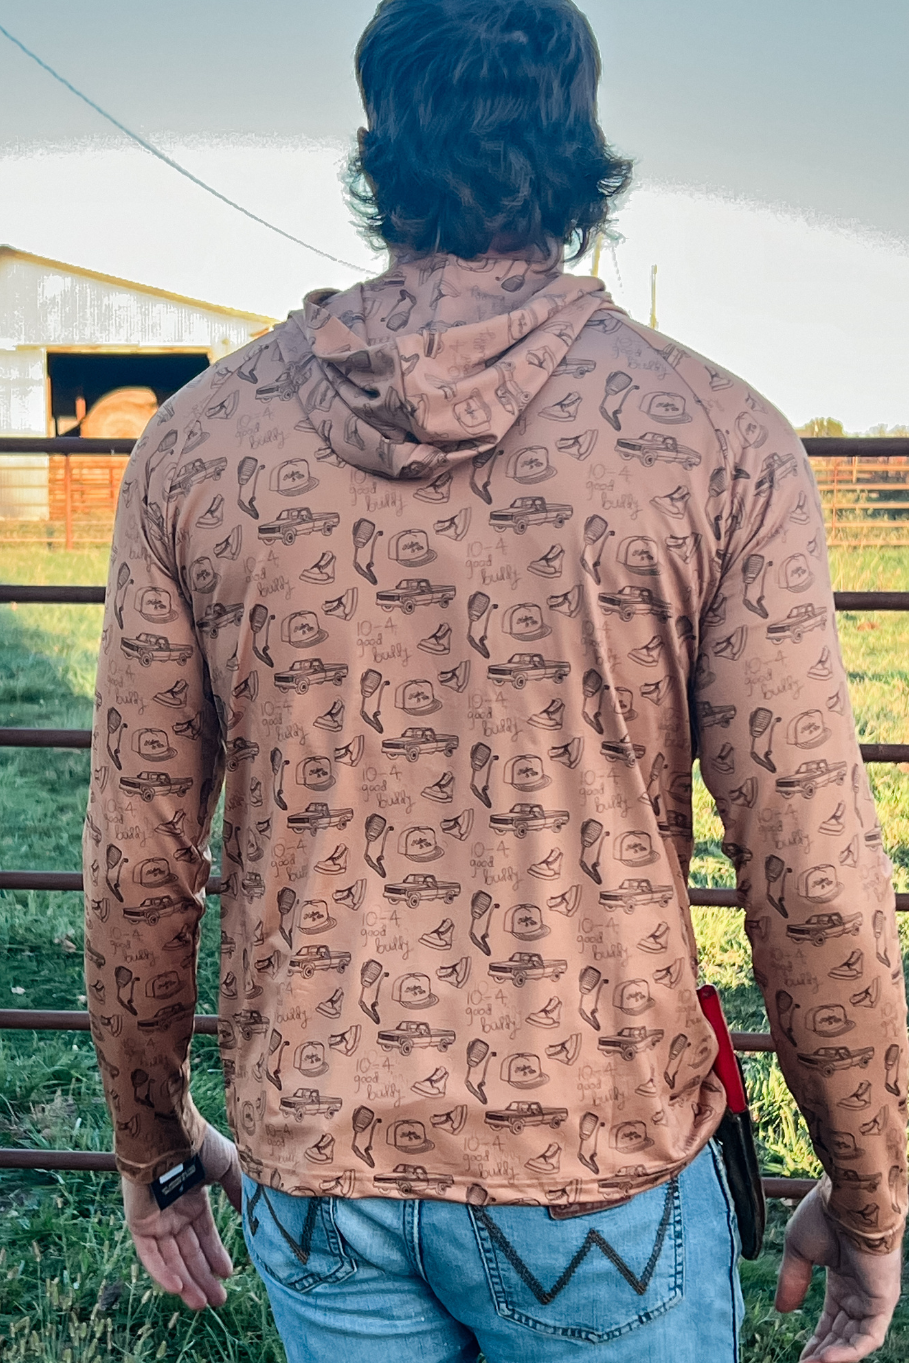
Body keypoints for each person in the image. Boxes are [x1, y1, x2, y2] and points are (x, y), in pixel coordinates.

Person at [84, 2, 907, 1360]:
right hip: (604, 1170)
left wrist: (150, 1139)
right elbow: (815, 870)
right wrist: (870, 1195)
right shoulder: (717, 440)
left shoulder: (195, 449)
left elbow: (134, 856)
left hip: (321, 1164)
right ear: (585, 152)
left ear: (376, 154)